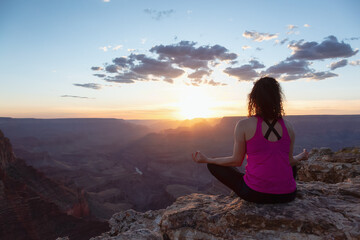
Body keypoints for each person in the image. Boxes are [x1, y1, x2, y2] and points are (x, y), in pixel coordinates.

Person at [192, 77, 308, 204]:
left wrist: (207, 159)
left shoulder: (243, 125)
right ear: (277, 99)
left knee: (214, 165)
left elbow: (236, 160)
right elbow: (290, 161)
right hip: (288, 195)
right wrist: (302, 156)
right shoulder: (289, 126)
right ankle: (280, 186)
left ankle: (256, 183)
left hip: (255, 194)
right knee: (287, 163)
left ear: (254, 99)